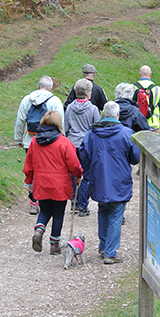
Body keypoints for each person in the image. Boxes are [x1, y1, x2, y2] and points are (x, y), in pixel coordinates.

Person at [79, 101, 140, 264]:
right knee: (115, 214)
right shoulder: (126, 133)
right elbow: (135, 158)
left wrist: (90, 169)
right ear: (117, 115)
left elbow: (83, 154)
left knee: (103, 210)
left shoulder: (92, 133)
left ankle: (104, 245)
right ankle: (110, 252)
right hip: (119, 180)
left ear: (104, 114)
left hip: (99, 179)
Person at [24, 111, 83, 255]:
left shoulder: (34, 141)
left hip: (41, 183)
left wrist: (29, 182)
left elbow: (28, 165)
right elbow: (74, 164)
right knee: (58, 213)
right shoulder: (63, 142)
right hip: (59, 185)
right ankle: (54, 245)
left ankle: (39, 230)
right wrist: (78, 175)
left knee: (44, 210)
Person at [14, 75, 64, 214]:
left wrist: (19, 139)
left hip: (30, 141)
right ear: (51, 87)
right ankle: (46, 199)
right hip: (51, 143)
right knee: (45, 170)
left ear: (38, 86)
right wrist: (62, 140)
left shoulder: (27, 99)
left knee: (32, 170)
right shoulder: (55, 101)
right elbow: (61, 123)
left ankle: (33, 201)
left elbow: (20, 120)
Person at [64, 79, 100, 216]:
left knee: (73, 174)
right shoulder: (93, 109)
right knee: (85, 175)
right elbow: (96, 129)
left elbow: (66, 128)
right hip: (87, 145)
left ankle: (73, 201)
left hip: (72, 145)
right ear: (88, 94)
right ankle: (83, 205)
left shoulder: (69, 108)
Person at [134, 65, 160, 130]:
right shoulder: (157, 89)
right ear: (150, 74)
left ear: (139, 74)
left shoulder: (133, 87)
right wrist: (157, 118)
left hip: (136, 123)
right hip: (152, 124)